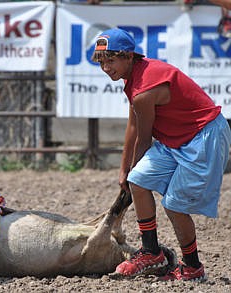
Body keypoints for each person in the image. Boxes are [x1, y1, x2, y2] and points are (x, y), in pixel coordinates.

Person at [91, 28, 231, 281]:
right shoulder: (135, 78)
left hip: (203, 136)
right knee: (137, 181)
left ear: (129, 57)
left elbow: (144, 139)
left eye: (110, 60)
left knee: (174, 205)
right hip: (177, 138)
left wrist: (131, 167)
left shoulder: (145, 89)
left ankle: (192, 267)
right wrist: (126, 171)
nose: (105, 67)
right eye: (102, 61)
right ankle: (151, 252)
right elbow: (133, 125)